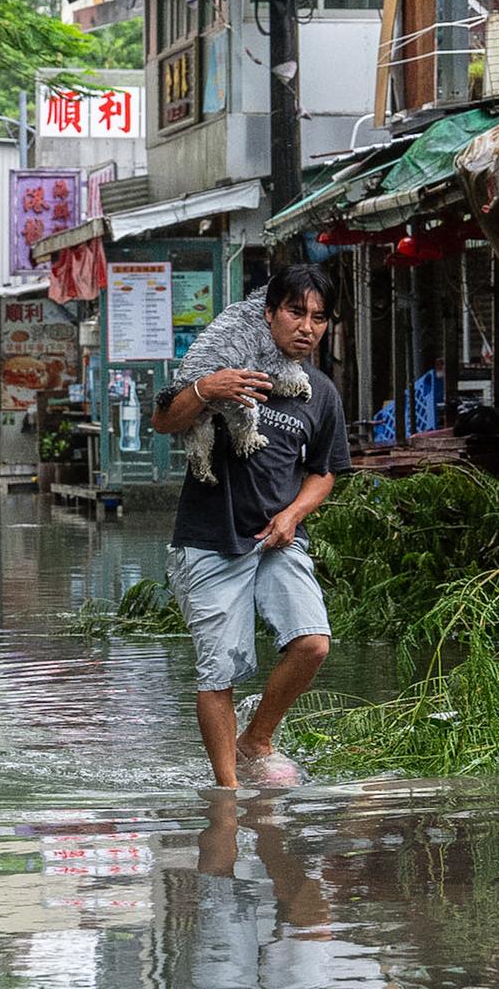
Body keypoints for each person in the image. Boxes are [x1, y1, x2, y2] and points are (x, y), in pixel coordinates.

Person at [152, 265, 352, 788]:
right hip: (210, 539)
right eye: (295, 312)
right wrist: (205, 388)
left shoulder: (320, 394)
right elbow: (165, 421)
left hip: (279, 541)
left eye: (319, 317)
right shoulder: (232, 367)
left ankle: (256, 739)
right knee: (219, 671)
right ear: (269, 314)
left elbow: (323, 473)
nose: (307, 327)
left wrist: (293, 515)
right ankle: (228, 793)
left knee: (313, 643)